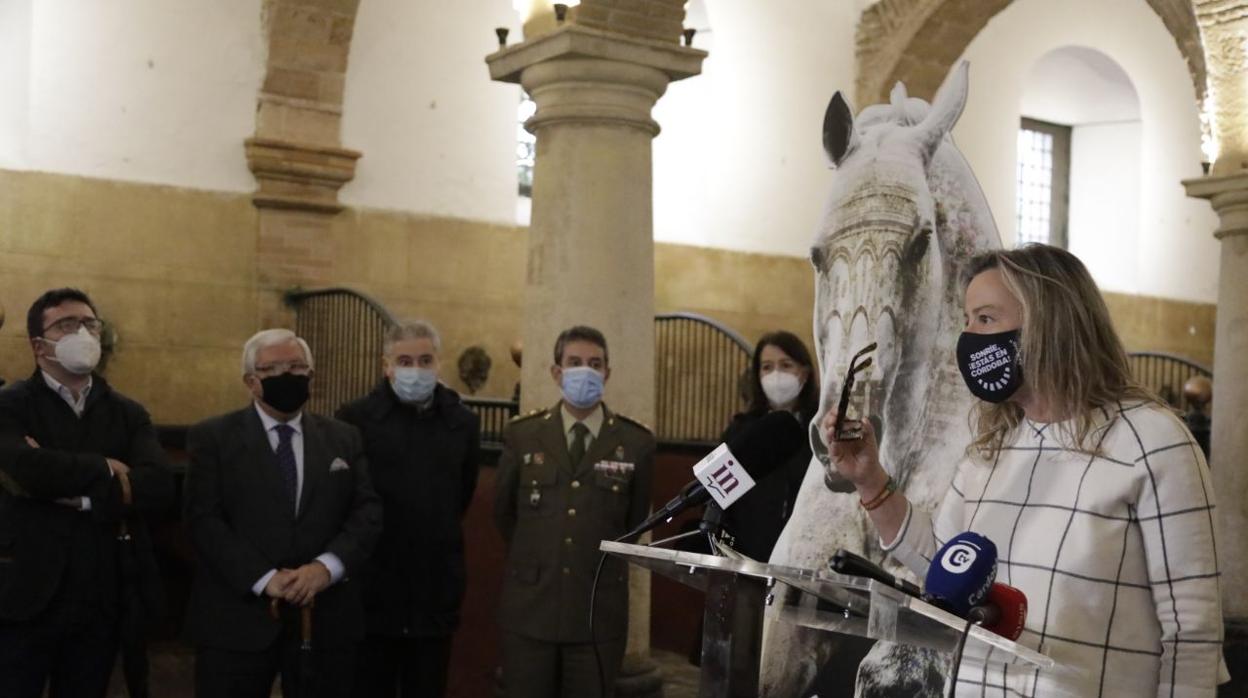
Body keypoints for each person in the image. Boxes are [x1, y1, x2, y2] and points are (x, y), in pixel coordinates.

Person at [823, 244, 1227, 696]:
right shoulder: (989, 450)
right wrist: (870, 479)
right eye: (968, 320)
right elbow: (946, 567)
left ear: (1049, 322)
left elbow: (1192, 628)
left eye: (986, 319)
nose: (970, 337)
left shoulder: (1151, 440)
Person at [184, 328, 382, 698]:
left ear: (311, 375)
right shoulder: (213, 438)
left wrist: (325, 568)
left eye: (296, 366)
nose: (287, 376)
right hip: (236, 619)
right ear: (251, 381)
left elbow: (366, 512)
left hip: (325, 619)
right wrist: (264, 579)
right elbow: (203, 520)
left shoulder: (344, 438)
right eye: (273, 369)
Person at [0, 287, 174, 698]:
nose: (82, 332)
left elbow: (157, 486)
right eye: (66, 325)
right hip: (25, 591)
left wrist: (75, 494)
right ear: (38, 345)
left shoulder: (127, 411)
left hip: (101, 590)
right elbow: (26, 470)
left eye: (89, 323)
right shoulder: (10, 405)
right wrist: (106, 468)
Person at [494, 325, 655, 698]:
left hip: (597, 617)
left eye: (595, 363)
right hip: (530, 610)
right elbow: (505, 515)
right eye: (575, 362)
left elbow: (632, 525)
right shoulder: (523, 435)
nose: (585, 370)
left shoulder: (635, 443)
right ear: (556, 372)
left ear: (607, 374)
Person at [336, 320, 481, 697]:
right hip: (374, 586)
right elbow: (347, 499)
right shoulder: (355, 419)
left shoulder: (462, 423)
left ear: (438, 364)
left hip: (434, 588)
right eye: (404, 360)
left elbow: (461, 494)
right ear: (386, 366)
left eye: (424, 360)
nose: (414, 370)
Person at [719, 330, 818, 562]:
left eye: (786, 365)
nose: (776, 374)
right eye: (767, 367)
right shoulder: (740, 432)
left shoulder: (820, 432)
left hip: (803, 561)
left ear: (804, 373)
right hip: (745, 562)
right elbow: (719, 503)